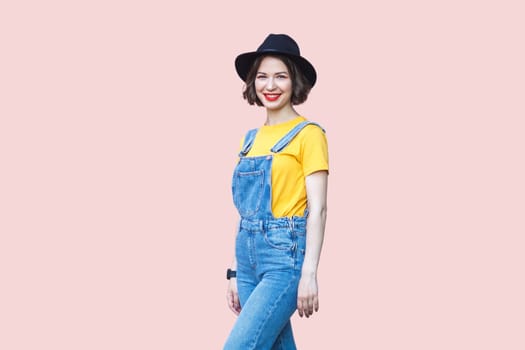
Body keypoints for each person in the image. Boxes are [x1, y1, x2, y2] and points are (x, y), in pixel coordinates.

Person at [224, 33, 329, 350]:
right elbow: (247, 211)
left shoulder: (310, 135)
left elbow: (319, 209)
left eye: (280, 76)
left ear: (294, 82)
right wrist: (233, 270)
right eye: (262, 76)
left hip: (285, 257)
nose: (270, 86)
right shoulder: (250, 139)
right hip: (247, 256)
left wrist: (309, 273)